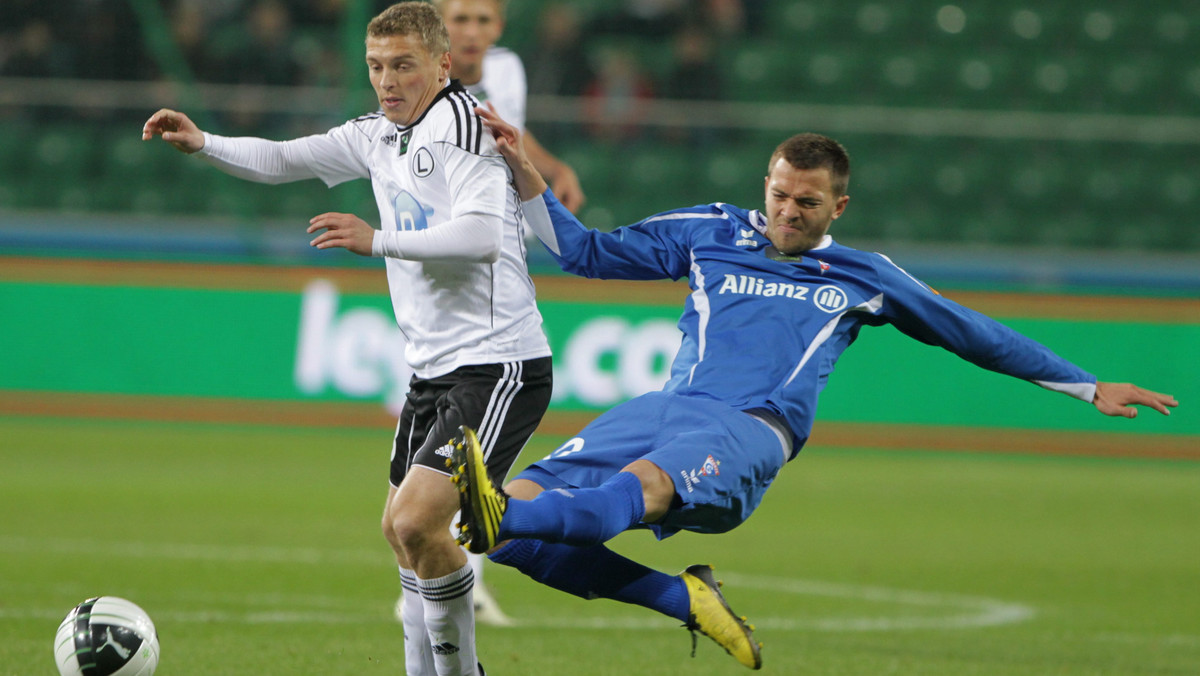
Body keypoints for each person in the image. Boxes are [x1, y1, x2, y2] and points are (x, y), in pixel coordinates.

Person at [445, 108, 1180, 670]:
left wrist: (1085, 387)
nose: (788, 213)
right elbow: (586, 253)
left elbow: (970, 332)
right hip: (664, 409)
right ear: (764, 184)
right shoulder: (711, 230)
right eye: (779, 195)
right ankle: (681, 597)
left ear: (839, 208)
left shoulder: (866, 277)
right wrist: (521, 170)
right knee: (518, 536)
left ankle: (497, 510)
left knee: (615, 492)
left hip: (750, 432)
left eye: (806, 202)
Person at [142, 4, 553, 675]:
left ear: (442, 64)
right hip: (434, 373)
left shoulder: (466, 129)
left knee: (419, 523)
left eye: (402, 65)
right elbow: (284, 158)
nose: (386, 81)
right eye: (376, 66)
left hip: (498, 363)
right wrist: (205, 143)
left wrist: (376, 239)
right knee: (400, 533)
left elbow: (481, 237)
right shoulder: (377, 135)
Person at [436, 0, 586, 213]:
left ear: (498, 28)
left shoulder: (507, 66)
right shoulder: (414, 82)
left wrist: (559, 170)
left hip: (507, 225)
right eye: (460, 20)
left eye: (483, 20)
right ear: (437, 26)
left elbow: (514, 136)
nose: (471, 32)